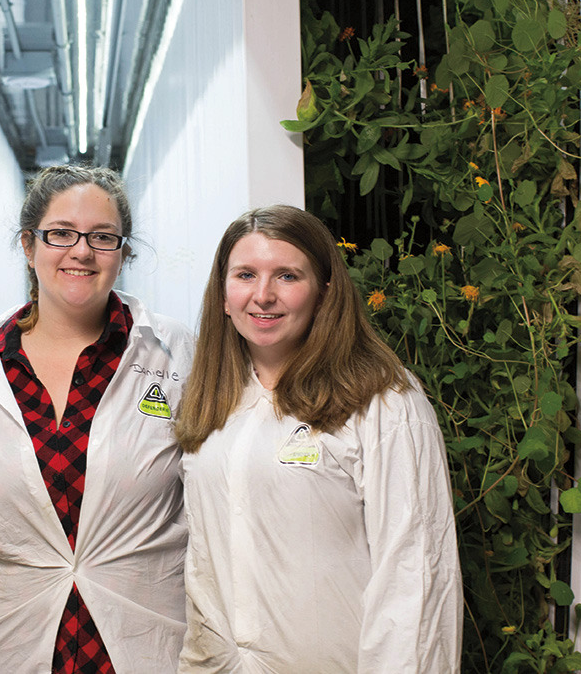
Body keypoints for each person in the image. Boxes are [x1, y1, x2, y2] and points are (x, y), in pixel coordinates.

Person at [175, 205, 463, 673]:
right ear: (223, 296)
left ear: (325, 293)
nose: (263, 296)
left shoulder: (384, 402)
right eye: (245, 274)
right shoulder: (208, 401)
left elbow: (416, 578)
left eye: (287, 276)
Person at [0, 165, 194, 673]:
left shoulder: (175, 354)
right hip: (15, 643)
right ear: (28, 245)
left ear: (123, 252)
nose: (81, 251)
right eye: (61, 233)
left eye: (103, 237)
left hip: (147, 640)